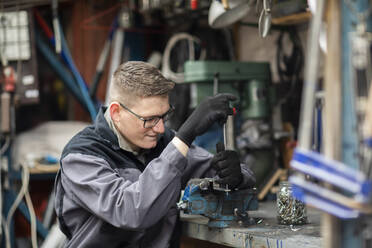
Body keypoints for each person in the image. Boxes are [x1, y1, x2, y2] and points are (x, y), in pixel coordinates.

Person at [54, 61, 256, 247]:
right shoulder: (82, 157)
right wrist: (186, 134)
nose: (160, 128)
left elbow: (221, 172)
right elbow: (130, 210)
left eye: (164, 116)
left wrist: (236, 175)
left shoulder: (163, 143)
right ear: (116, 113)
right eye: (149, 119)